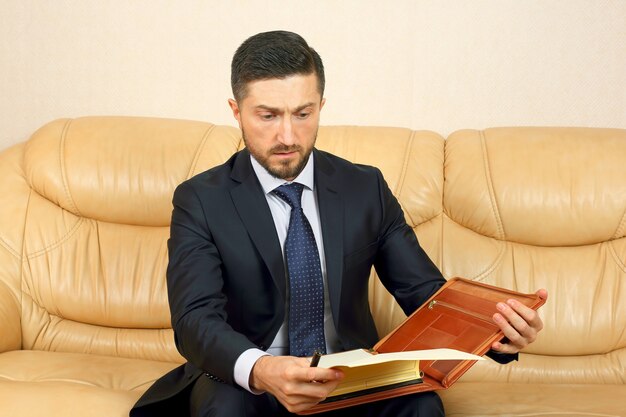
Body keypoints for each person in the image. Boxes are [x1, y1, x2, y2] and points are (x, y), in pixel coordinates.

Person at [130, 30, 547, 417]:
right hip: (252, 382)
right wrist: (263, 371)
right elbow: (195, 319)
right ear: (236, 111)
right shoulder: (201, 199)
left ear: (321, 107)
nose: (288, 136)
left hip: (349, 378)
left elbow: (424, 294)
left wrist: (499, 333)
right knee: (223, 408)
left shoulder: (364, 187)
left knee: (422, 406)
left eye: (303, 113)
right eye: (268, 116)